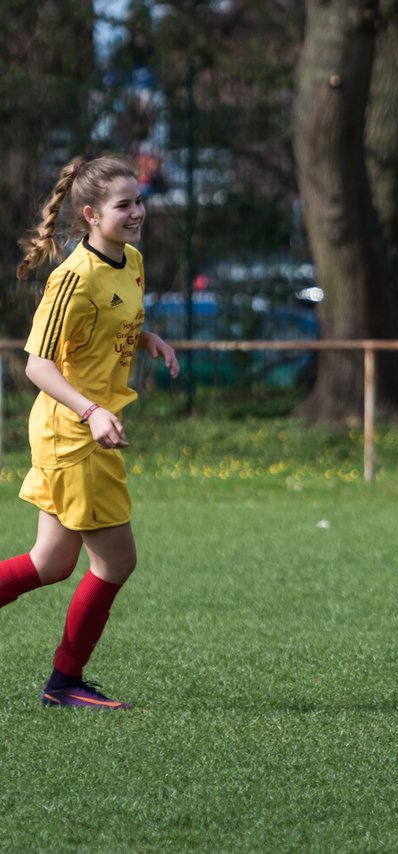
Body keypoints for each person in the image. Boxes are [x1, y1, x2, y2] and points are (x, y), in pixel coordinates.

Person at [0, 155, 179, 709]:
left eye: (139, 201)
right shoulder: (72, 278)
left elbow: (110, 321)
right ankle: (64, 684)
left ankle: (64, 684)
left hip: (83, 431)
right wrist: (92, 411)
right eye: (124, 205)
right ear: (90, 214)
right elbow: (38, 365)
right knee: (116, 562)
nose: (136, 212)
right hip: (73, 436)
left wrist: (144, 337)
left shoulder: (132, 261)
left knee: (51, 563)